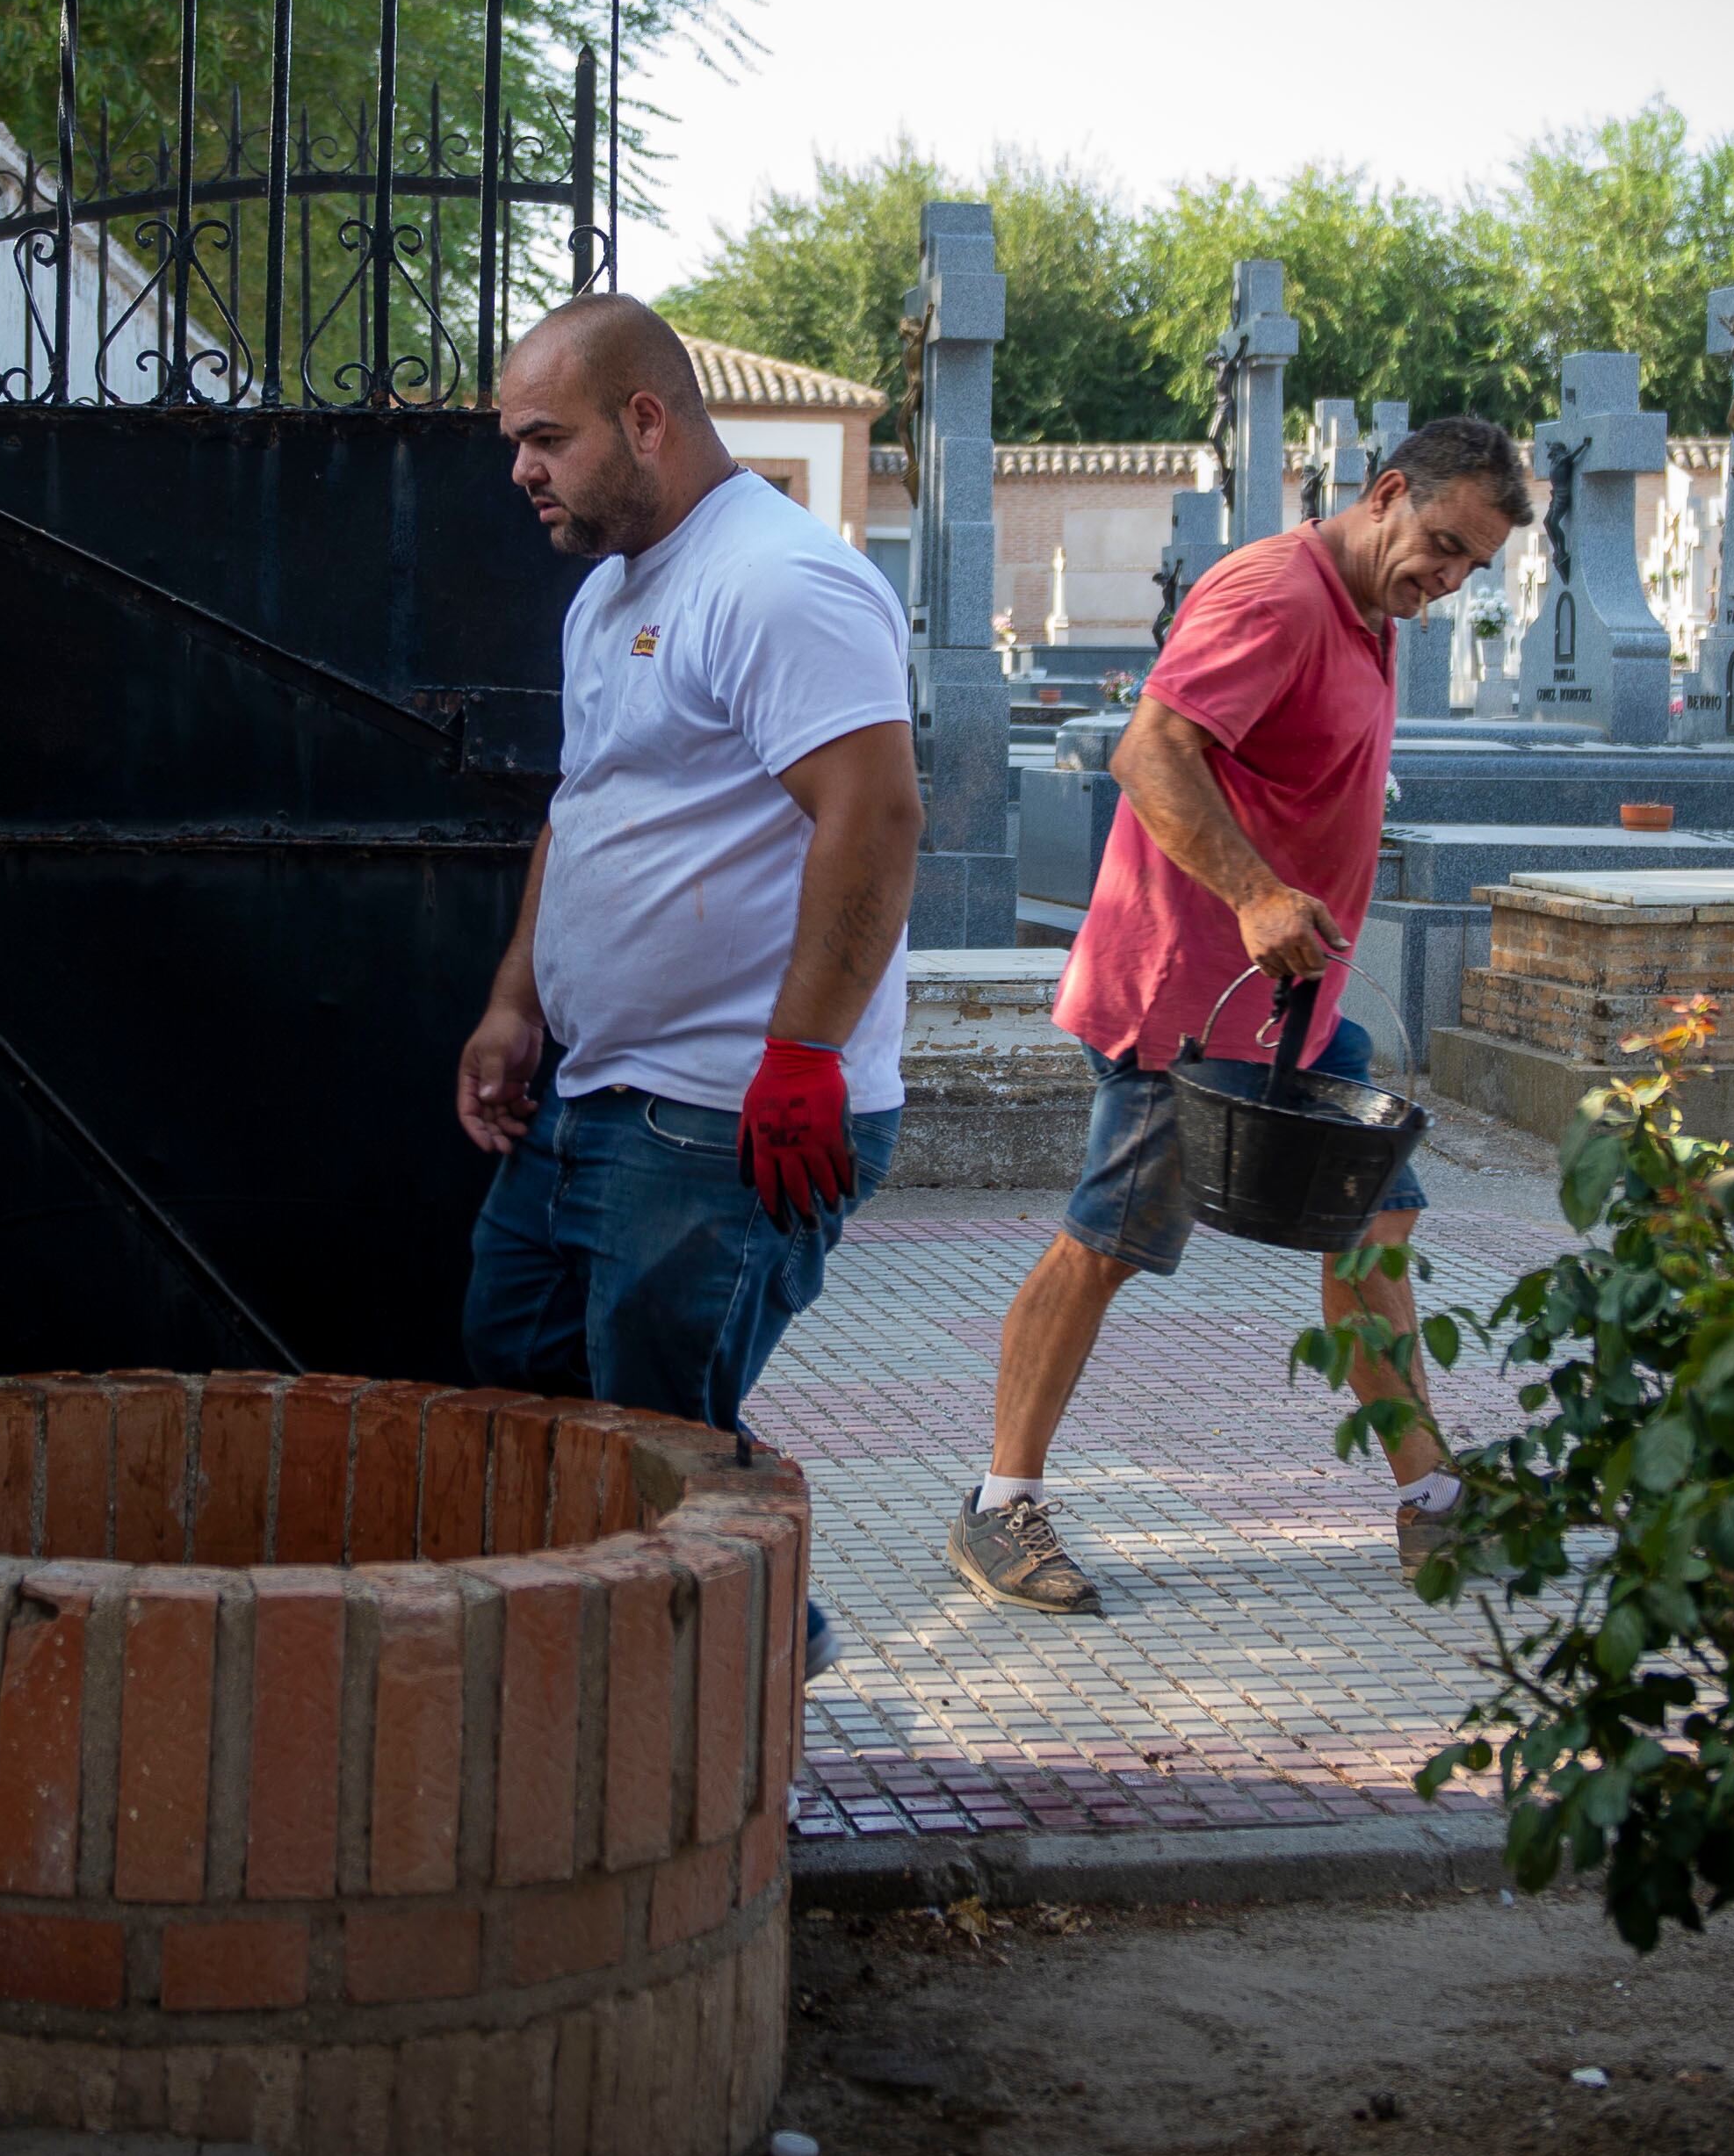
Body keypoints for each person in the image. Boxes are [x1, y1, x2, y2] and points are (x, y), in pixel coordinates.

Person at [946, 418, 1531, 1615]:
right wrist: (1256, 890)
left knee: (1372, 1236)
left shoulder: (1373, 606)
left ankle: (1432, 1502)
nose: (1448, 579)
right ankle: (997, 1502)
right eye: (1439, 545)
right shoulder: (1277, 591)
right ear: (1382, 496)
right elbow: (1148, 749)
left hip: (1298, 1005)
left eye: (1472, 564)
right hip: (1189, 1001)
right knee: (1106, 1244)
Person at [455, 295, 918, 1637]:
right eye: (513, 441)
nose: (518, 470)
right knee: (519, 1355)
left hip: (726, 1112)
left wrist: (799, 1056)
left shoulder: (778, 580)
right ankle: (716, 1647)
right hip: (599, 1091)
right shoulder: (607, 593)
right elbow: (587, 801)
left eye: (545, 437)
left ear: (645, 420)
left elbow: (876, 815)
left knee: (663, 1441)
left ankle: (748, 1674)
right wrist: (514, 997)